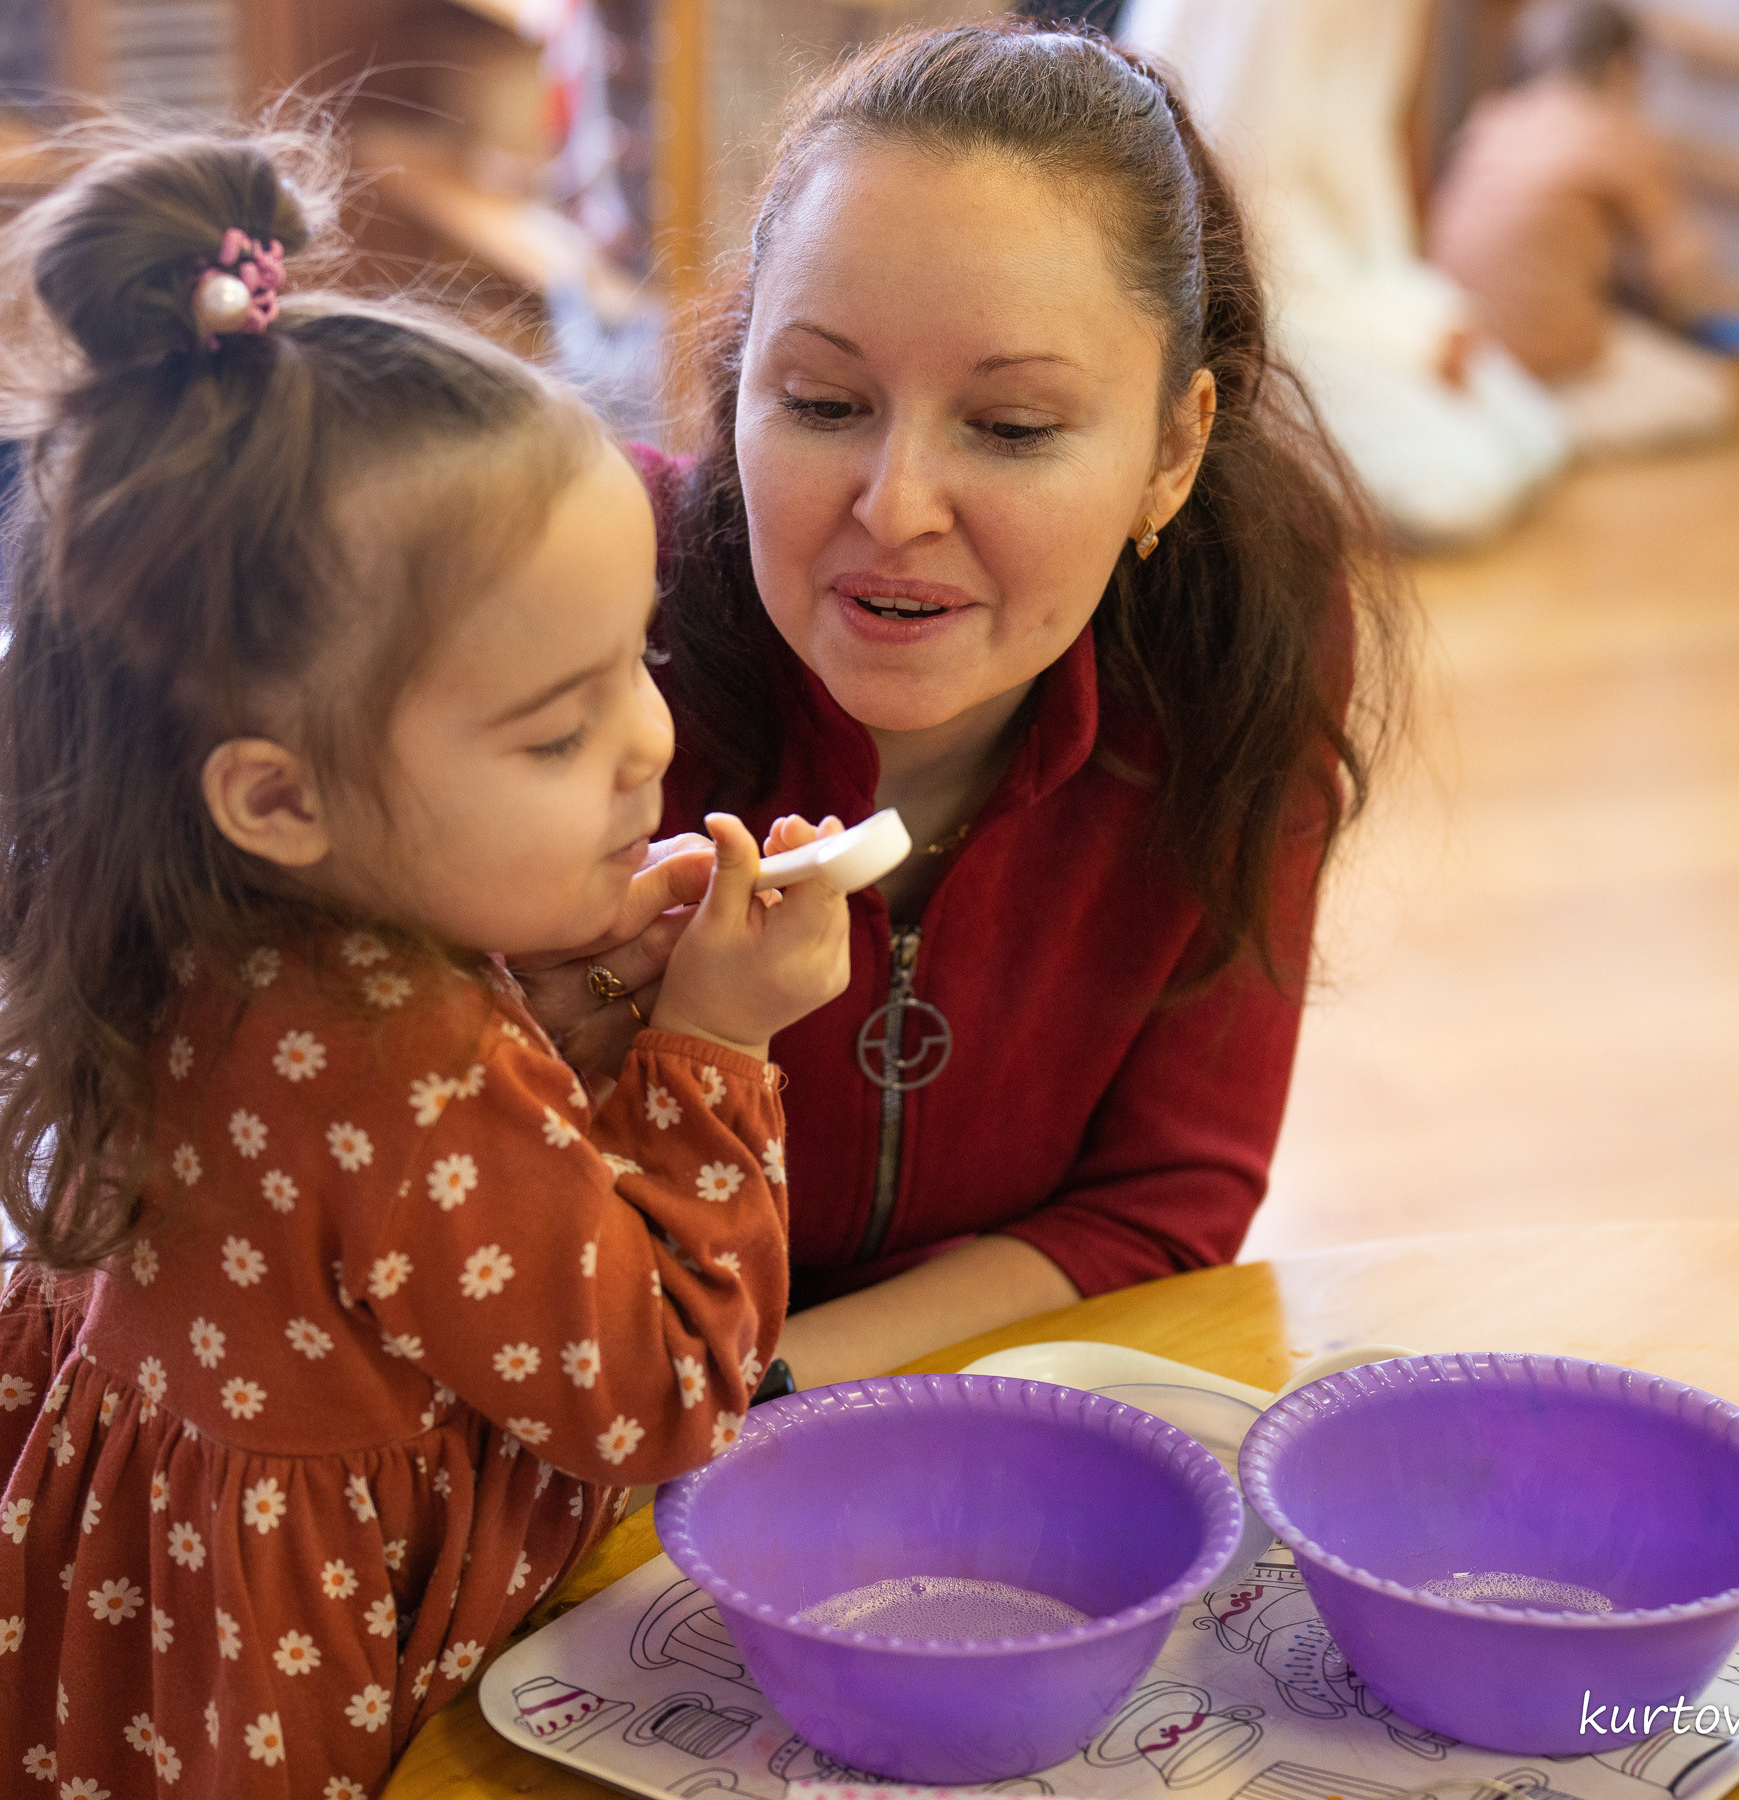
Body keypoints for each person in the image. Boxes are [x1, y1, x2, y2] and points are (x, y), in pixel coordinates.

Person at [0, 128, 848, 1799]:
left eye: (639, 659)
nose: (650, 743)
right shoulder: (406, 1053)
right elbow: (661, 1399)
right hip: (323, 1692)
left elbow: (366, 1231)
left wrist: (553, 1001)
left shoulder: (196, 920)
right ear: (279, 795)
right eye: (554, 732)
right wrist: (714, 1043)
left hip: (134, 1663)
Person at [518, 22, 1404, 1390]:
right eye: (821, 402)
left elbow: (1160, 1204)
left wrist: (768, 1397)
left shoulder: (1246, 646)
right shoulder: (560, 614)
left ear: (1174, 449)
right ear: (739, 380)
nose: (895, 505)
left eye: (1011, 428)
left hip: (819, 1421)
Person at [1123, 0, 1573, 545]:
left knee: (1537, 437)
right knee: (1458, 487)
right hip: (1246, 296)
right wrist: (1405, 340)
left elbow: (1367, 191)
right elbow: (1243, 223)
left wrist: (1428, 313)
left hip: (1338, 291)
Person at [1427, 0, 1739, 456]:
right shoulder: (1617, 133)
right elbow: (1680, 266)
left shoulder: (1498, 116)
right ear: (1622, 67)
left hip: (1463, 332)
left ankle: (1503, 403)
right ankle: (1543, 426)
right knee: (1713, 393)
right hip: (1547, 358)